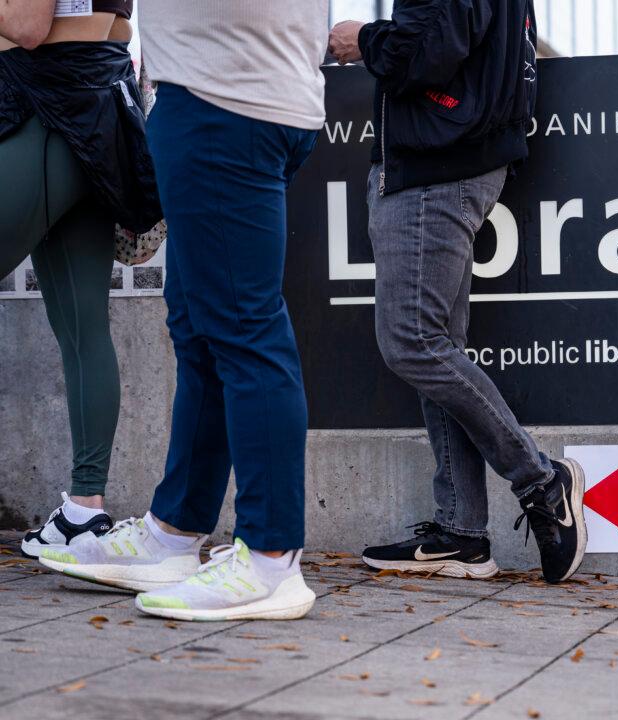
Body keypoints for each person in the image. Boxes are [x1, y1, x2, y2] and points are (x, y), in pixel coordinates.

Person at [37, 0, 330, 623]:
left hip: (225, 98)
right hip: (236, 90)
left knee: (244, 328)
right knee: (202, 330)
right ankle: (174, 533)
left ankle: (271, 560)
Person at [327, 1, 587, 584]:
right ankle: (462, 532)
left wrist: (362, 39)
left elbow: (422, 51)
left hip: (433, 165)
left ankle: (541, 480)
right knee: (438, 347)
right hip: (453, 158)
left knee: (412, 343)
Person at [0, 1, 160, 558]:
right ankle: (83, 515)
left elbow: (27, 25)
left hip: (44, 107)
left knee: (82, 326)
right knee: (82, 325)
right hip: (94, 109)